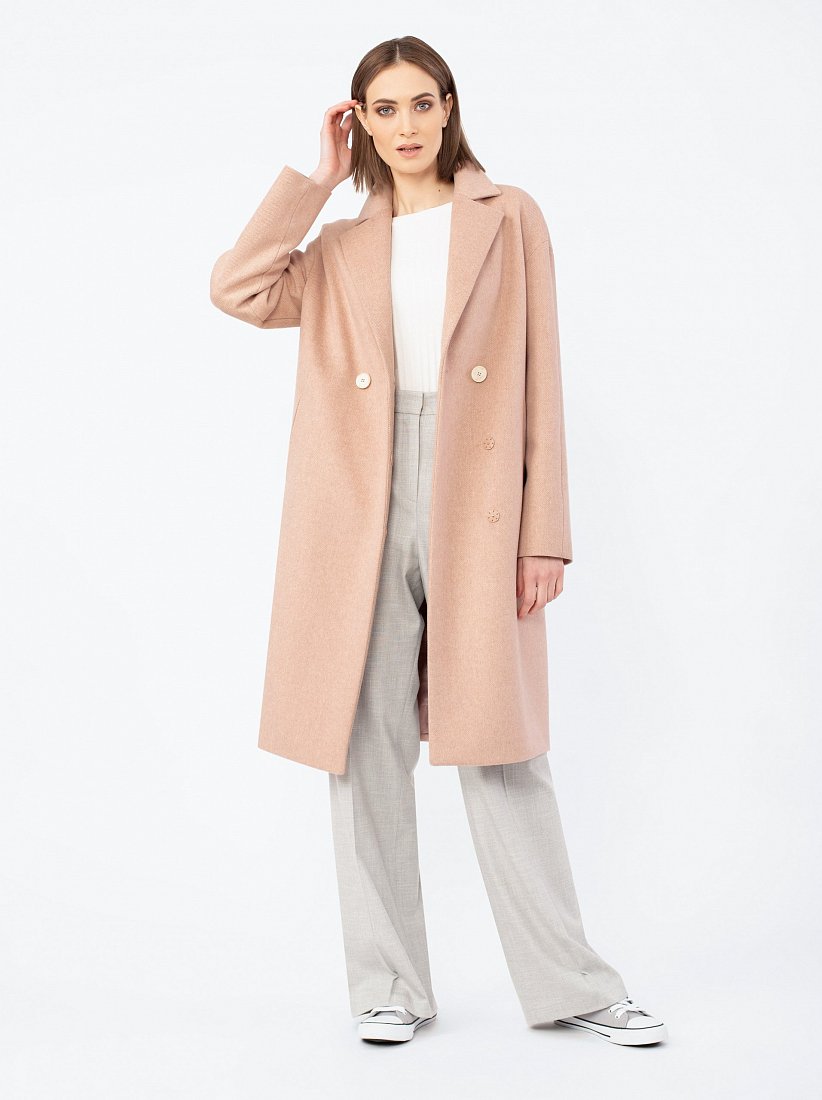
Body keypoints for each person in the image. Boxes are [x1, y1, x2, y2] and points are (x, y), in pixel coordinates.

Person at [210, 35, 668, 1047]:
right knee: (360, 742)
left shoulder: (510, 217)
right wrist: (313, 182)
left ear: (450, 107)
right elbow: (238, 288)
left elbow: (541, 371)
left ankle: (574, 983)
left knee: (500, 744)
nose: (407, 125)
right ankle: (388, 985)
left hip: (479, 498)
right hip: (357, 507)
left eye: (423, 103)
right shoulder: (339, 248)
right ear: (360, 124)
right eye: (385, 109)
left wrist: (544, 533)